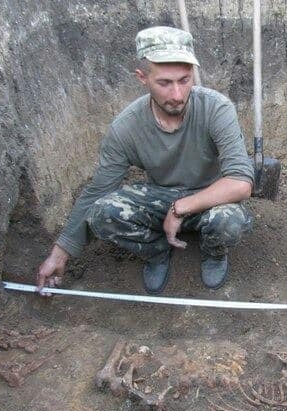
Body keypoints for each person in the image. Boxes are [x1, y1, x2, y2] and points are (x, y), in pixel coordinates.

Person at [36, 26, 254, 294]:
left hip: (210, 196)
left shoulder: (217, 108)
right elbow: (98, 191)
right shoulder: (126, 127)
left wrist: (181, 208)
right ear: (143, 78)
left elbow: (241, 182)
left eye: (185, 80)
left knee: (228, 220)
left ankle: (214, 252)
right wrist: (60, 253)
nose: (177, 94)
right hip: (159, 197)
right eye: (164, 83)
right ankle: (155, 251)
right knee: (102, 214)